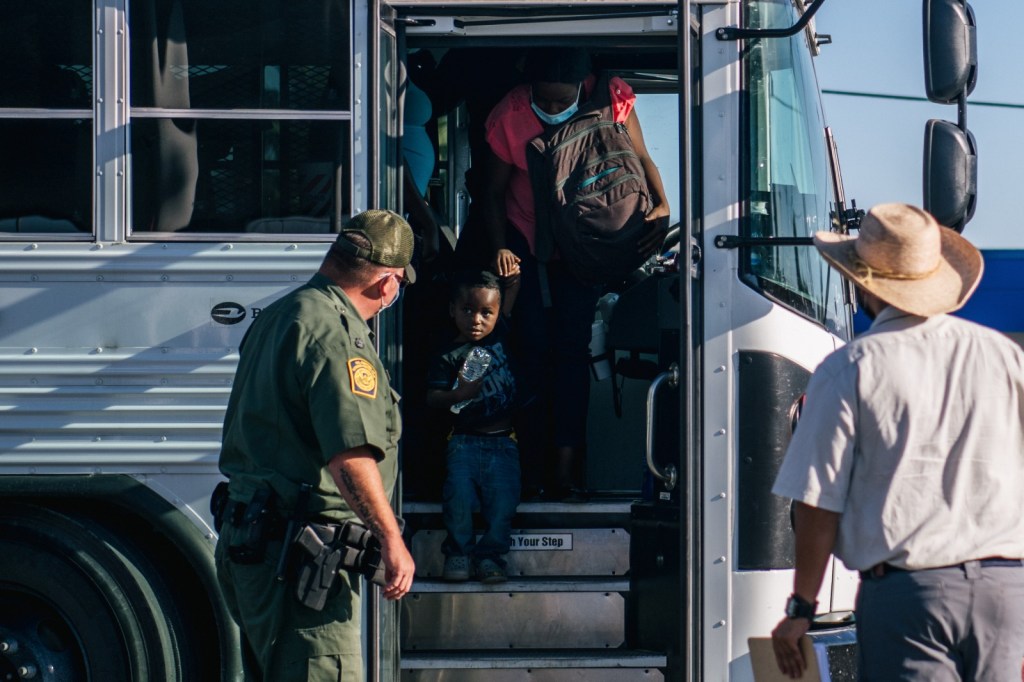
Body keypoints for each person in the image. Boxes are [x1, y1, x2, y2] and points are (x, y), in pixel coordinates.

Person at [769, 203, 1024, 681]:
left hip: (910, 598)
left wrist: (802, 605)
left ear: (862, 282)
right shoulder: (1004, 357)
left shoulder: (850, 369)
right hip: (1006, 592)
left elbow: (817, 501)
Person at [215, 209, 417, 681]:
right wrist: (390, 538)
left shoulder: (283, 314)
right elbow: (350, 454)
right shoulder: (336, 334)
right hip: (300, 563)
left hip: (255, 547)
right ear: (387, 283)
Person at [481, 46, 671, 500]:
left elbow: (642, 160)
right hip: (528, 247)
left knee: (570, 358)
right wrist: (500, 248)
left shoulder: (612, 99)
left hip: (584, 252)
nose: (550, 109)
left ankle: (565, 471)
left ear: (582, 87)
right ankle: (526, 472)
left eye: (560, 101)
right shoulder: (508, 115)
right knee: (527, 356)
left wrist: (662, 205)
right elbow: (490, 195)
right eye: (542, 102)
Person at [426, 270, 521, 583]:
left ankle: (490, 557)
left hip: (504, 443)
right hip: (463, 442)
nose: (476, 319)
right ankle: (458, 554)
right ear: (452, 309)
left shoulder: (502, 335)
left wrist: (509, 265)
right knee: (459, 501)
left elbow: (512, 288)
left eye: (486, 312)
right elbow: (433, 398)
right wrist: (459, 394)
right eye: (467, 310)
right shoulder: (447, 355)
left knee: (503, 503)